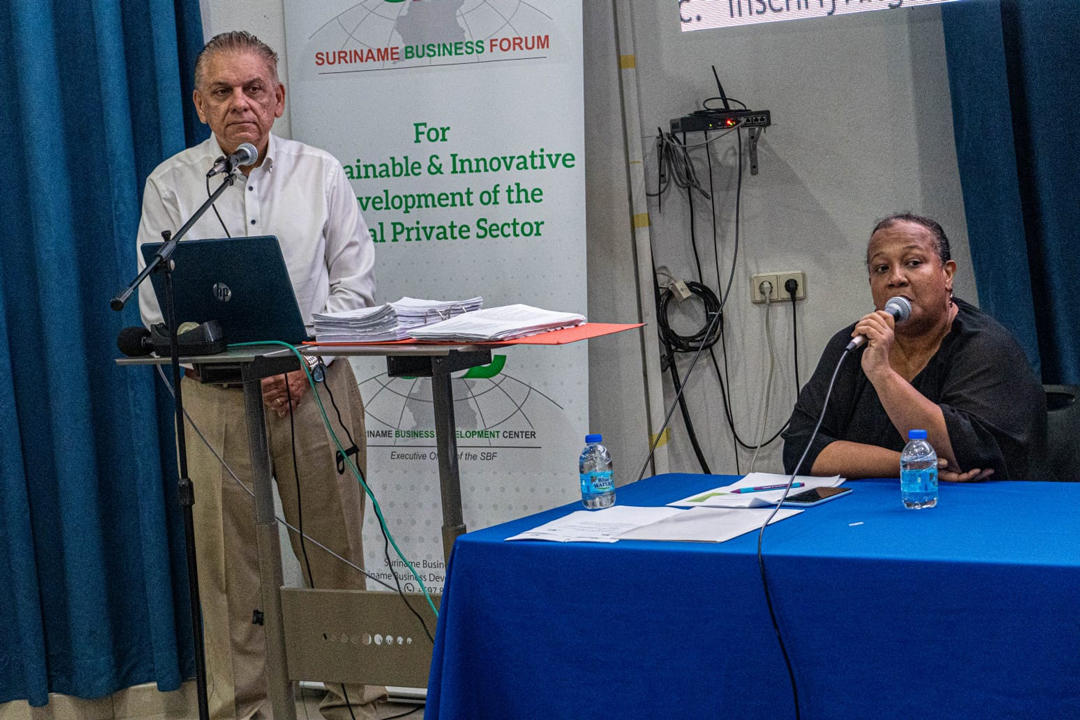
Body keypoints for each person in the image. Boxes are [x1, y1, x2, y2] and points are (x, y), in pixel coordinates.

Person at [136, 31, 386, 720]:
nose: (239, 103)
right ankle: (244, 711)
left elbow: (355, 287)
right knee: (229, 574)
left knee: (335, 559)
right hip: (217, 401)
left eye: (253, 89)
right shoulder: (170, 185)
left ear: (277, 98)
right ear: (200, 105)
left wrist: (300, 363)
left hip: (315, 394)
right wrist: (239, 361)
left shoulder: (321, 173)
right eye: (222, 91)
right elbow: (159, 303)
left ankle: (353, 704)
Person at [782, 213, 1049, 481]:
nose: (896, 278)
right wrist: (907, 463)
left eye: (913, 263)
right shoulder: (853, 344)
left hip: (984, 503)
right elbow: (800, 450)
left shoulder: (986, 346)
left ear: (947, 274)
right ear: (871, 284)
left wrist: (882, 375)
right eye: (882, 268)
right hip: (877, 503)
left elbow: (967, 458)